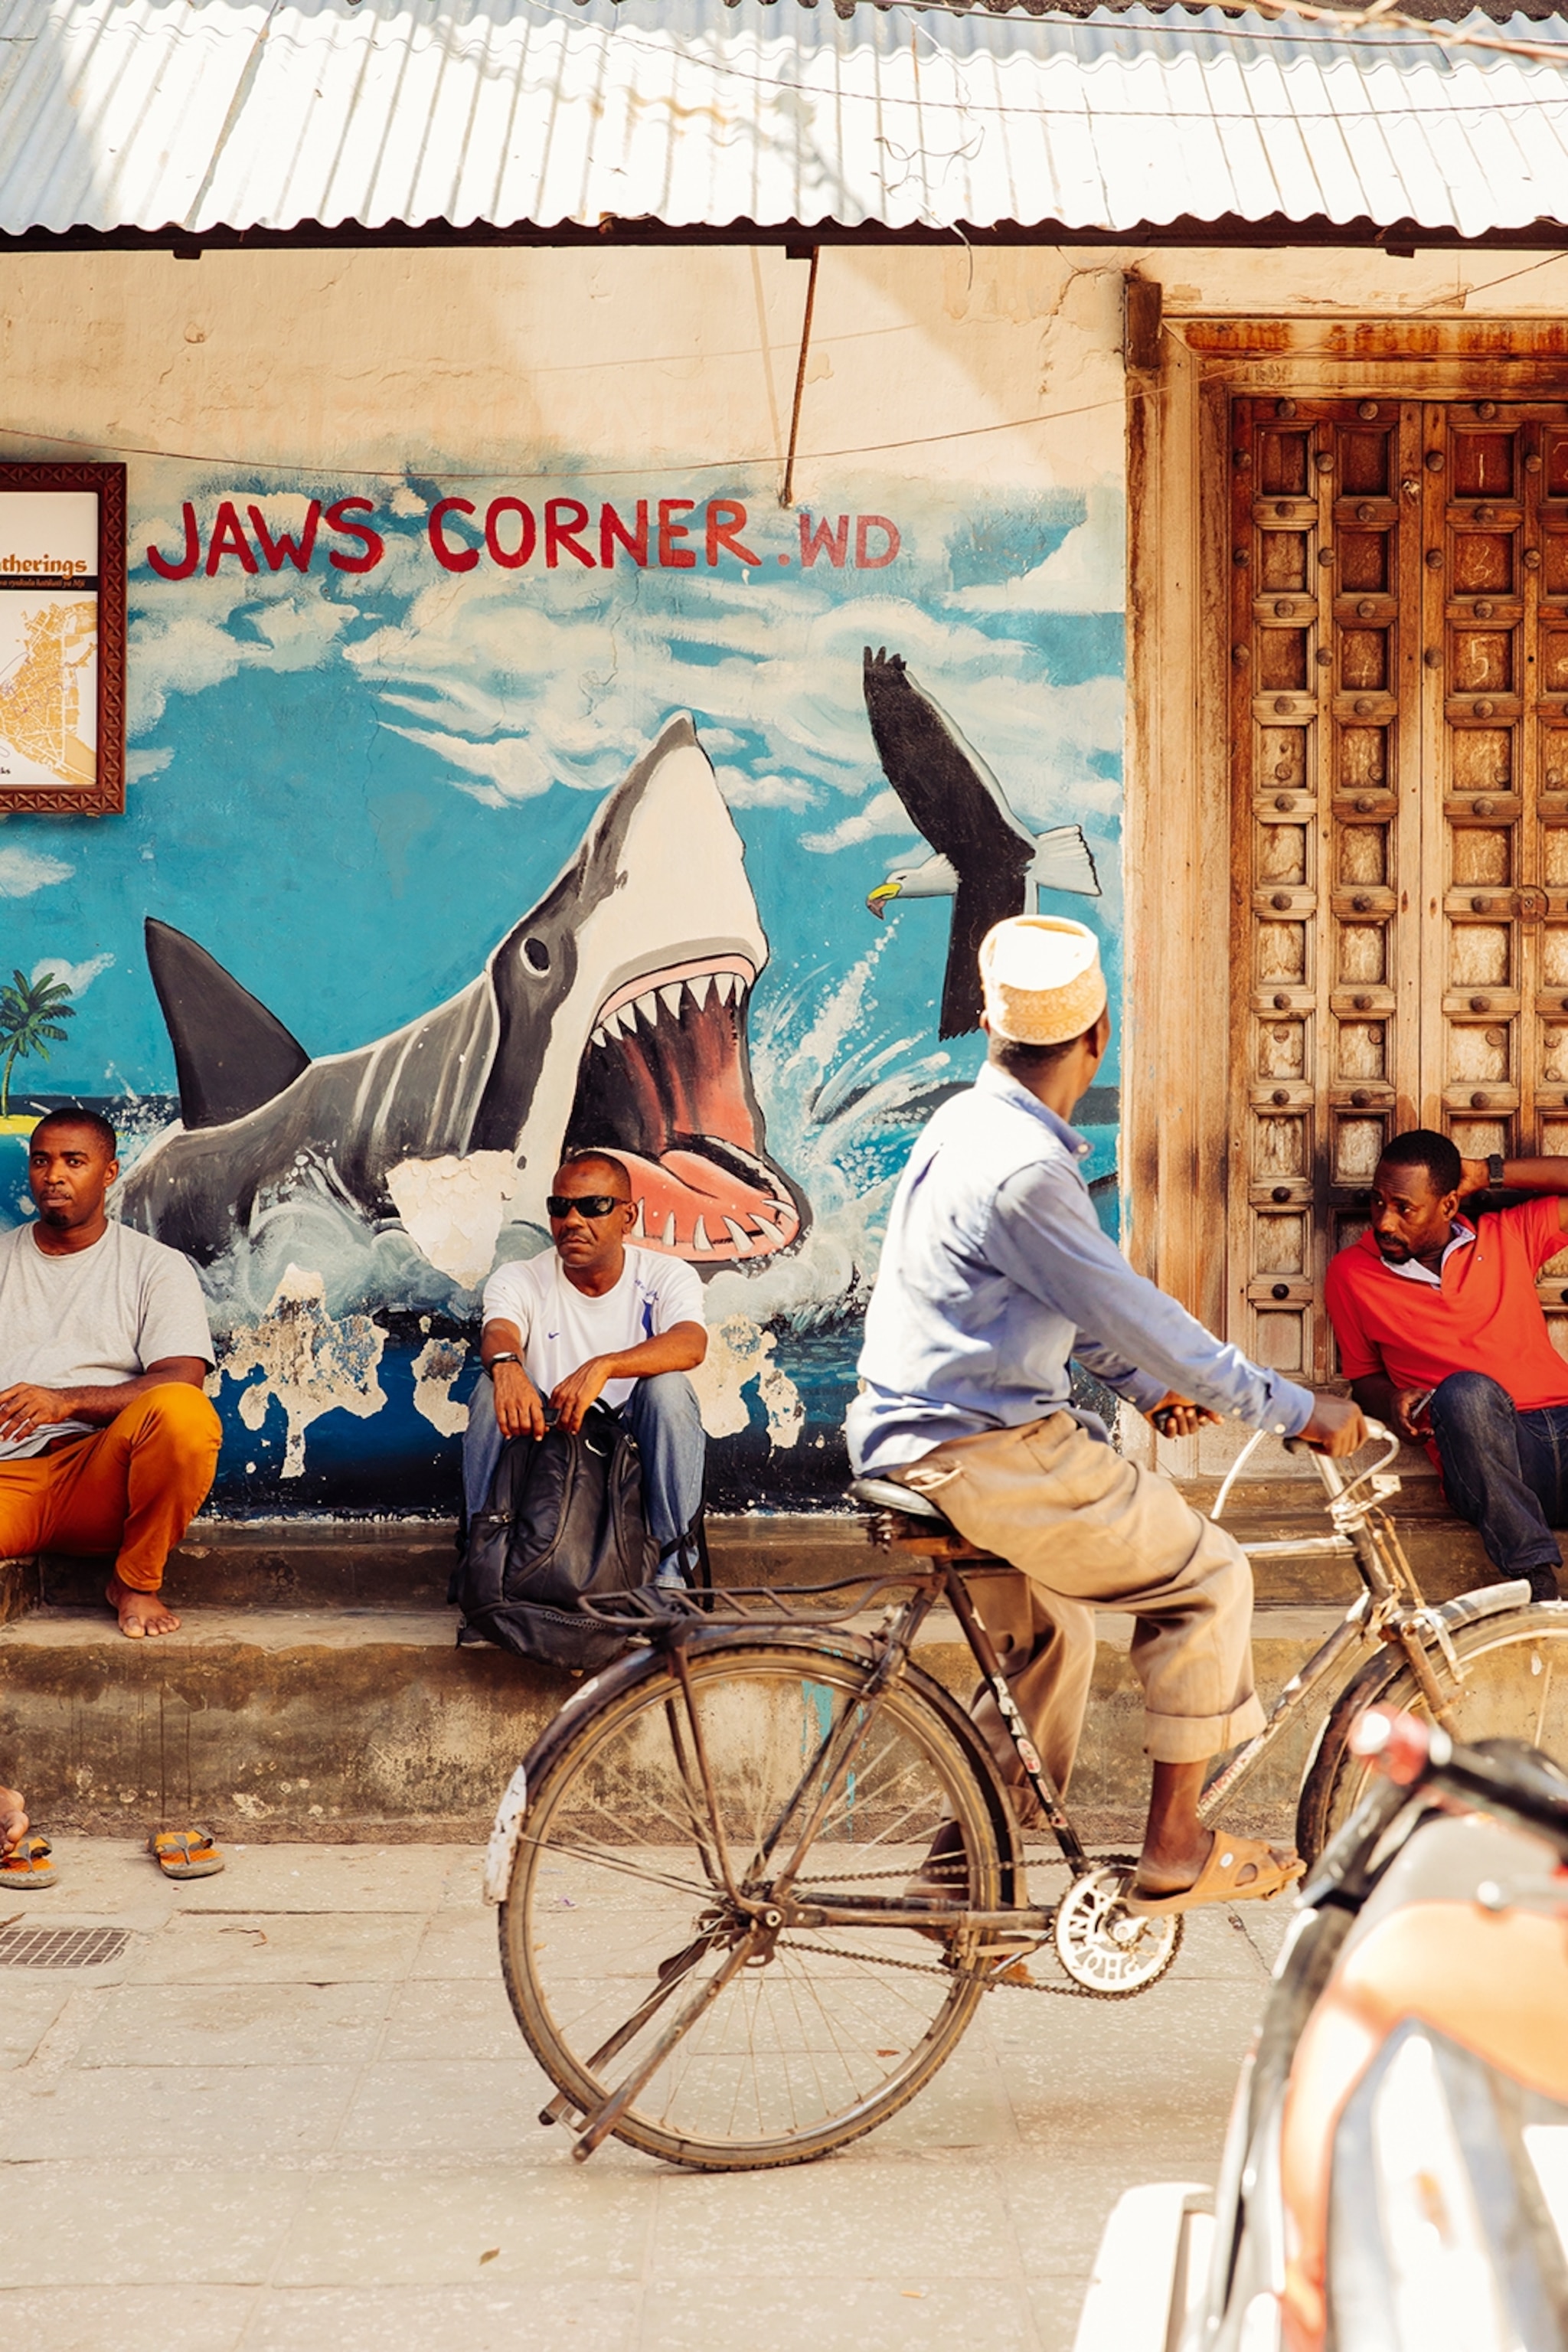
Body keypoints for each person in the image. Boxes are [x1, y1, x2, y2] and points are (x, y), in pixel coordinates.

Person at [847, 916, 1365, 1916]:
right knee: (1208, 1574)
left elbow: (1049, 1305)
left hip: (910, 1433)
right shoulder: (1031, 1173)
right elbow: (1141, 1315)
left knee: (1055, 1642)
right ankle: (1174, 1847)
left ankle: (964, 1879)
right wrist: (1293, 1409)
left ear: (995, 1037)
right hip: (985, 1449)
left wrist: (1139, 1390)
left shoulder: (964, 1126)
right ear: (1099, 1037)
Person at [0, 1109, 220, 1638]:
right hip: (9, 1477)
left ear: (109, 1171)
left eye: (74, 1161)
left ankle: (135, 1583)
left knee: (185, 1412)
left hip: (102, 1479)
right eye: (41, 1161)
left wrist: (67, 1401)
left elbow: (181, 1376)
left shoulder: (155, 1266)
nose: (54, 1175)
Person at [1325, 1129, 1568, 1605]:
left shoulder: (1508, 1235)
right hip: (1491, 1457)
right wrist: (1391, 1401)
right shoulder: (1351, 1273)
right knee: (1466, 1393)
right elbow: (1363, 1379)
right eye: (1377, 1203)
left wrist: (1487, 1173)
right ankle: (1535, 1578)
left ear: (1450, 1207)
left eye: (1403, 1208)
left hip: (1562, 1425)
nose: (1384, 1222)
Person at [464, 1152, 707, 1583]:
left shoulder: (667, 1275)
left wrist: (606, 1366)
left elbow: (691, 1344)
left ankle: (672, 1572)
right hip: (550, 1446)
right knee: (491, 1388)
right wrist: (507, 1368)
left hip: (633, 1446)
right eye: (561, 1207)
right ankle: (481, 1567)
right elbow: (500, 1333)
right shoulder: (521, 1277)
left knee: (668, 1391)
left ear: (627, 1216)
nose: (573, 1220)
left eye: (593, 1206)